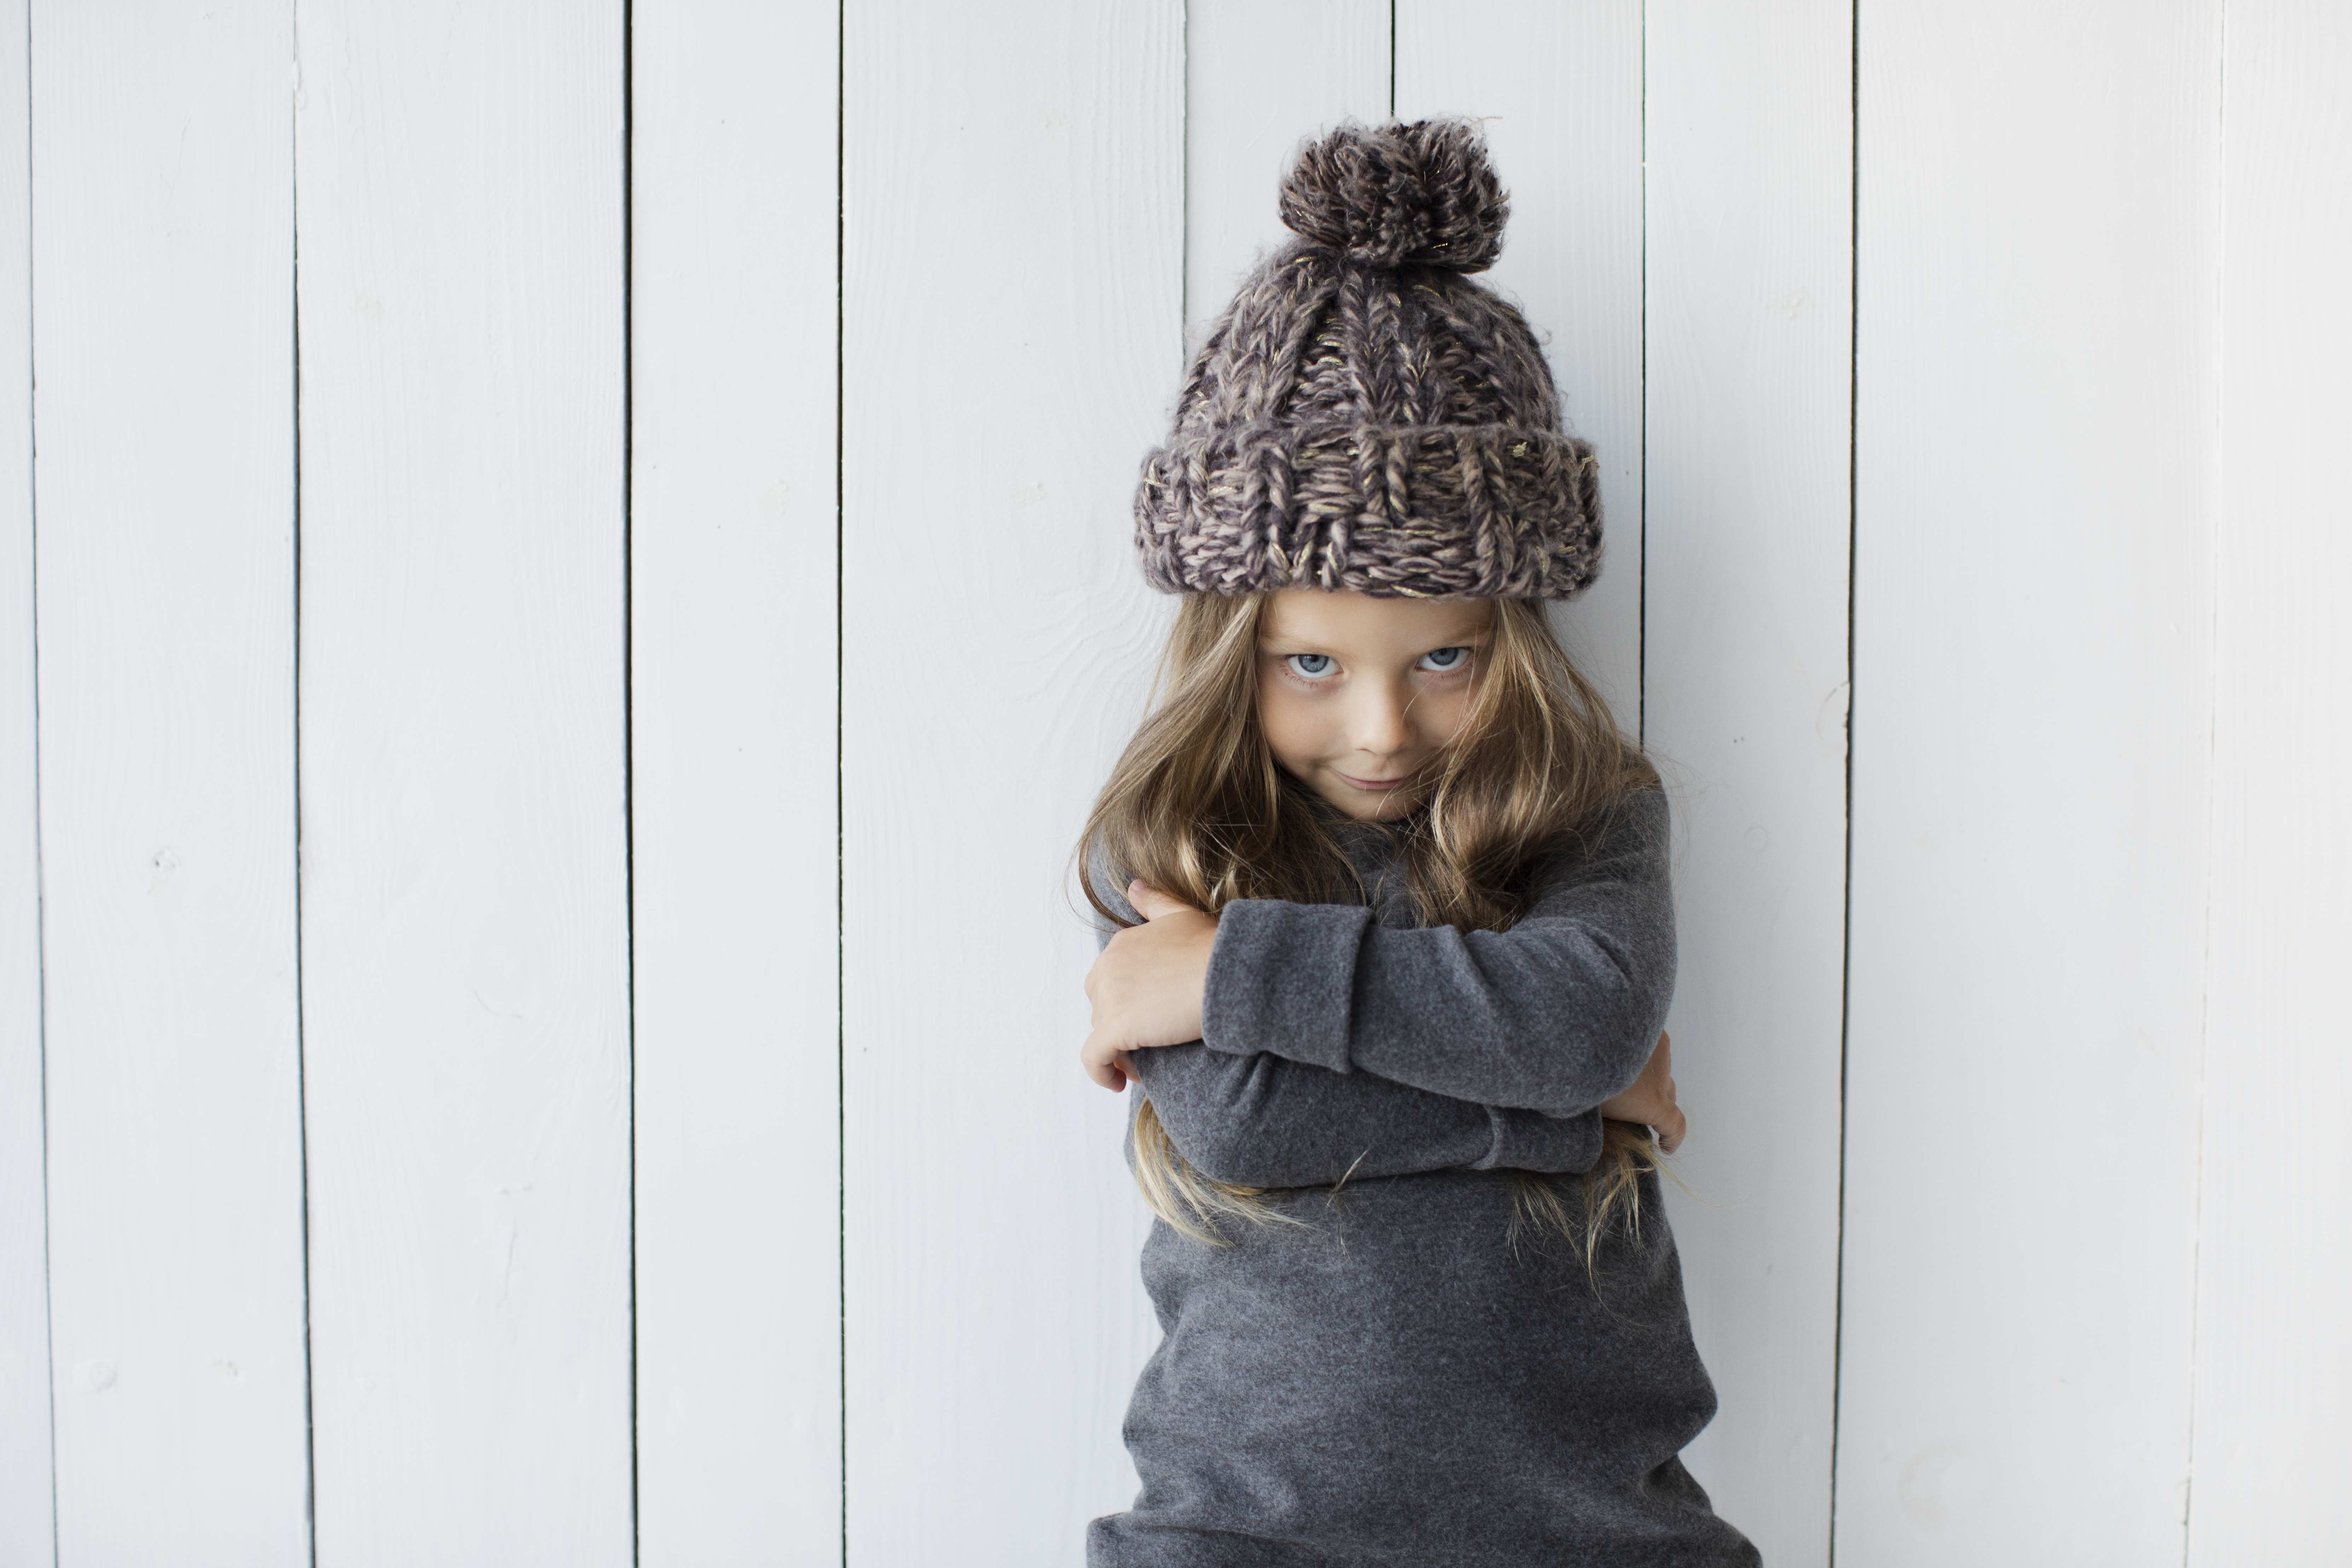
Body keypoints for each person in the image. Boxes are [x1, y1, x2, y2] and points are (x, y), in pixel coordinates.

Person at [1070, 119, 1761, 1566]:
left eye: (1444, 658)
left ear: (1514, 633)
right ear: (1228, 646)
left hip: (1593, 1527)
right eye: (1311, 663)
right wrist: (1568, 1105)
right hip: (1243, 1530)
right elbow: (1249, 1124)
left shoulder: (1589, 811)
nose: (1380, 727)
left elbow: (1577, 1021)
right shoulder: (1178, 840)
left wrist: (1239, 974)